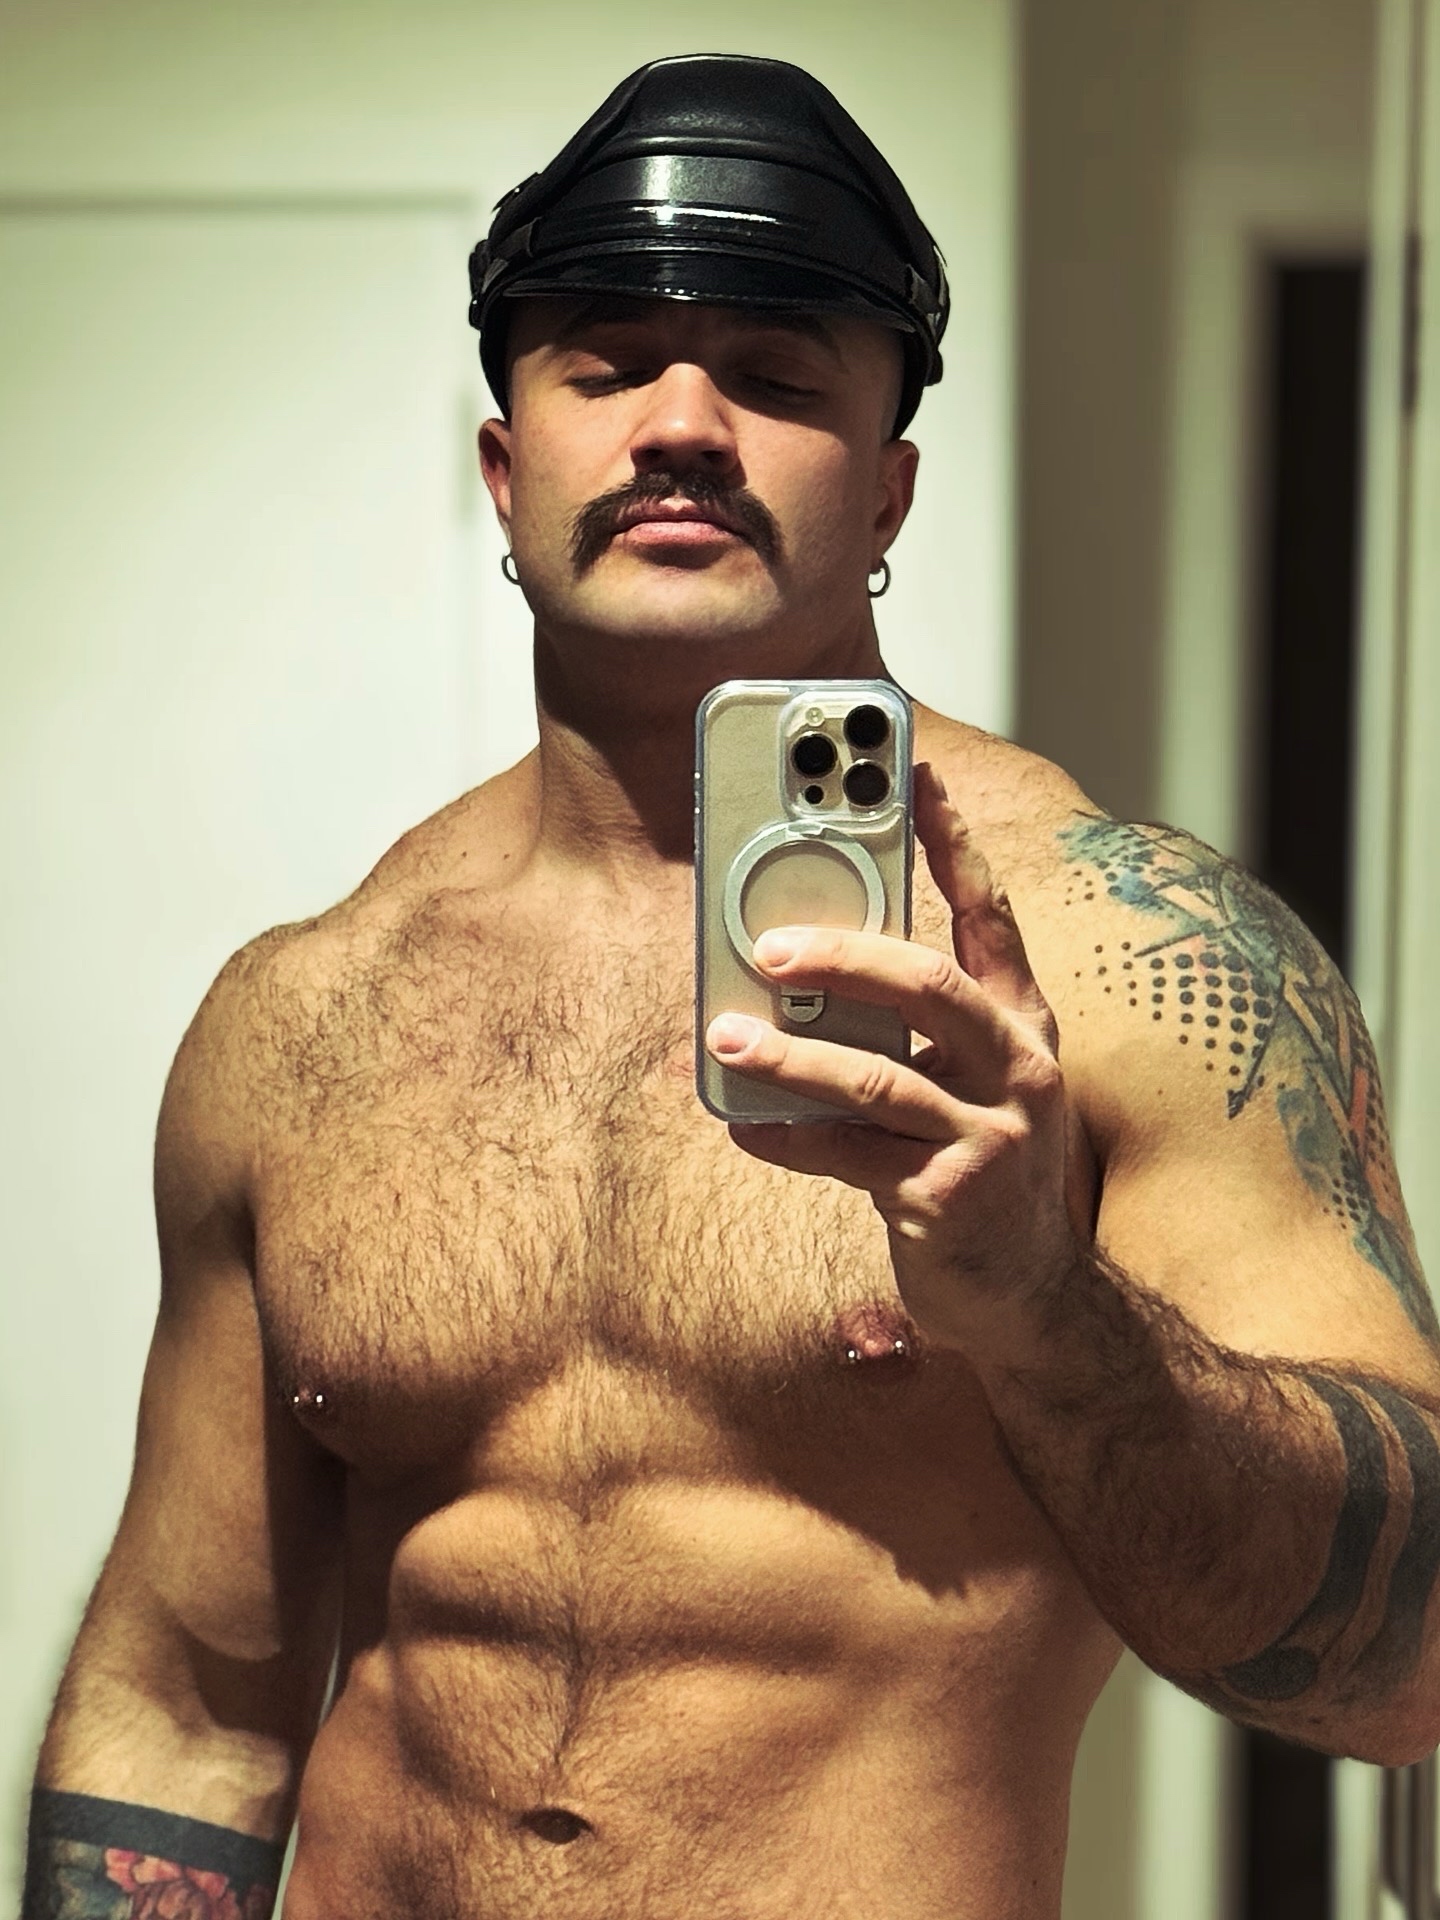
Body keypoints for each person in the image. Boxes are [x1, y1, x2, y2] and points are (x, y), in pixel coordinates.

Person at [22, 52, 1440, 1920]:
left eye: (776, 378)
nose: (684, 425)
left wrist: (1047, 1311)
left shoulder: (1122, 965)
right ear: (505, 469)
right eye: (608, 366)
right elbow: (187, 1704)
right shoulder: (305, 1016)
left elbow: (1406, 1669)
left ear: (888, 491)